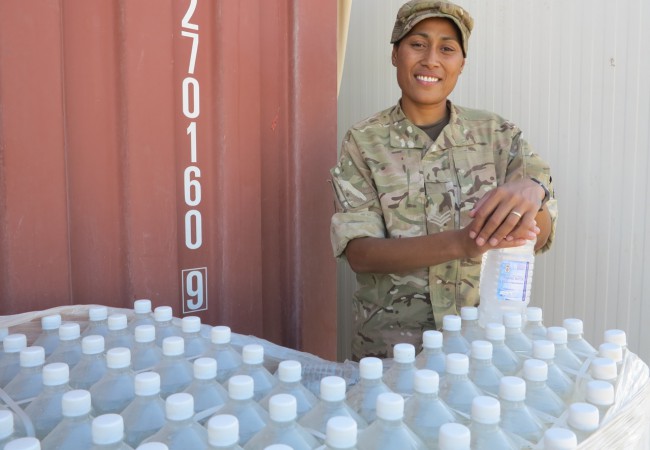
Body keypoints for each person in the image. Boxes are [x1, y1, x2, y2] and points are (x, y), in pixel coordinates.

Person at [330, 0, 557, 360]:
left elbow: (541, 234)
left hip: (482, 347)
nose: (431, 60)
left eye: (447, 48)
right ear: (395, 54)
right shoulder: (364, 140)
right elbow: (360, 252)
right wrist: (463, 244)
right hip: (392, 353)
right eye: (417, 44)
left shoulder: (498, 135)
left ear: (461, 64)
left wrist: (533, 197)